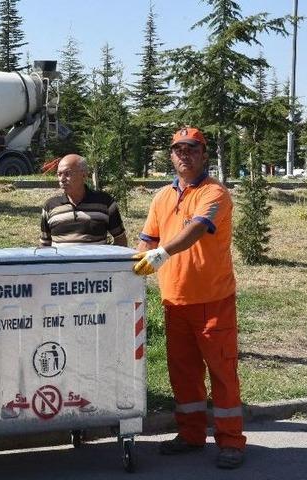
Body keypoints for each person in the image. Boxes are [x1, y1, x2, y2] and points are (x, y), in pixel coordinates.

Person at [132, 127, 246, 470]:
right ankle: (192, 434)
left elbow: (195, 230)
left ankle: (231, 441)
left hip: (213, 300)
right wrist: (136, 263)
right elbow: (147, 241)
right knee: (183, 373)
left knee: (222, 372)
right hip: (174, 300)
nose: (185, 154)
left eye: (192, 149)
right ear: (171, 155)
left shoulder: (215, 194)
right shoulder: (161, 197)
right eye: (178, 149)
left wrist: (161, 254)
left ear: (204, 154)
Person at [40, 154, 127, 247]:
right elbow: (45, 245)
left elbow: (120, 240)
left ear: (84, 175)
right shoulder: (50, 206)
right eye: (59, 174)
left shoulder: (105, 203)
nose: (62, 179)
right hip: (61, 261)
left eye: (67, 173)